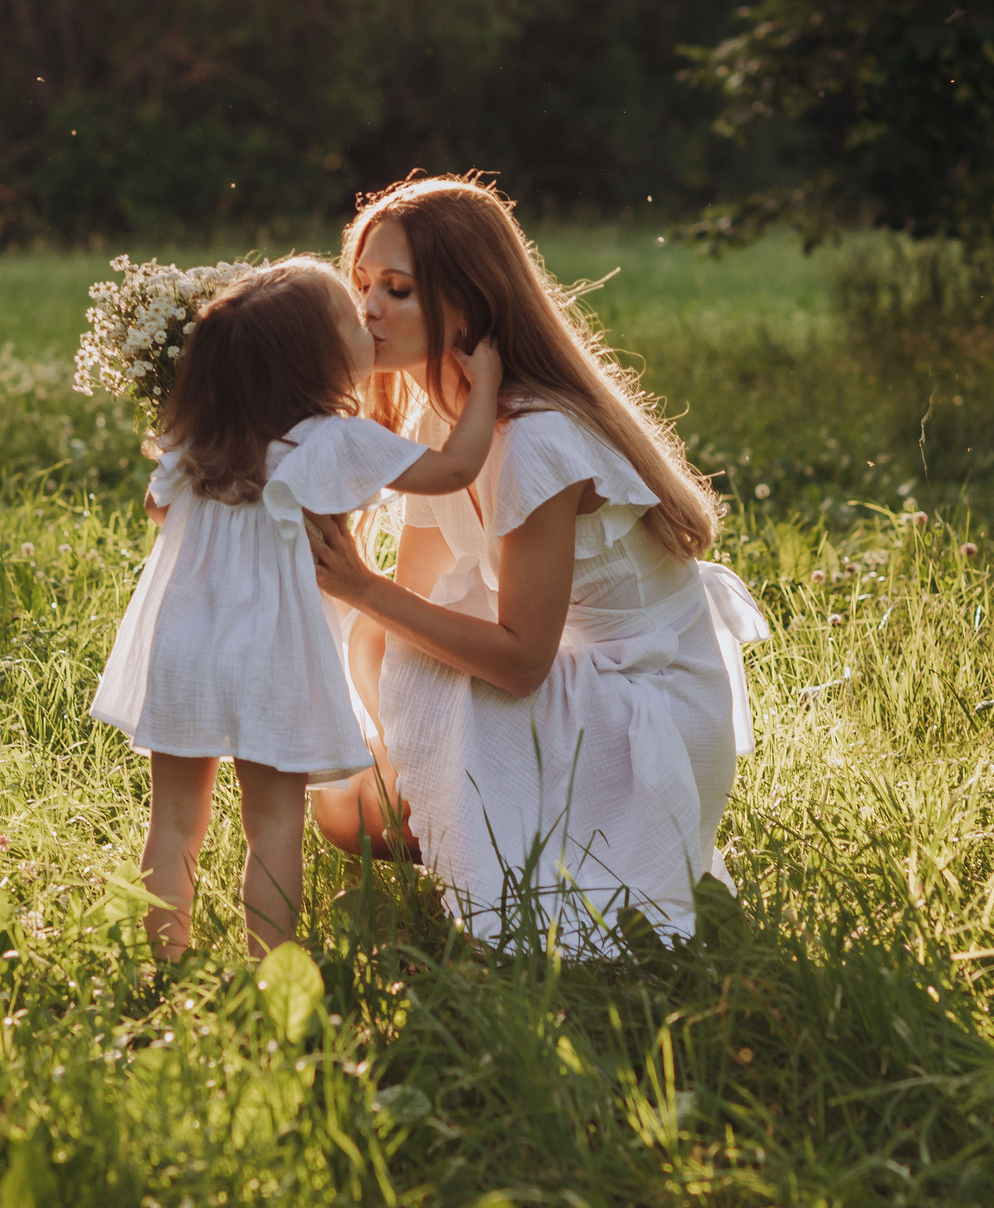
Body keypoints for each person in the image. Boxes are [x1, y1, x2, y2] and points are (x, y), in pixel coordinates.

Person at [306, 178, 767, 948]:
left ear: (468, 302)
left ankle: (529, 878)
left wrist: (360, 583)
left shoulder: (534, 441)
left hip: (642, 706)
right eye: (361, 287)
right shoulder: (439, 415)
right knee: (346, 806)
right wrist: (397, 750)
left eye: (397, 289)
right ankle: (496, 839)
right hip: (570, 673)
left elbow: (520, 661)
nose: (368, 310)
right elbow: (401, 608)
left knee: (411, 659)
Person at [90, 256, 502, 959]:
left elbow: (160, 510)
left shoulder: (198, 439)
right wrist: (486, 380)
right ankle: (268, 967)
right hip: (271, 653)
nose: (368, 320)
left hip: (185, 644)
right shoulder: (333, 440)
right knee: (273, 823)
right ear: (314, 362)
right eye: (351, 315)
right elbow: (456, 469)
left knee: (175, 816)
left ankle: (165, 960)